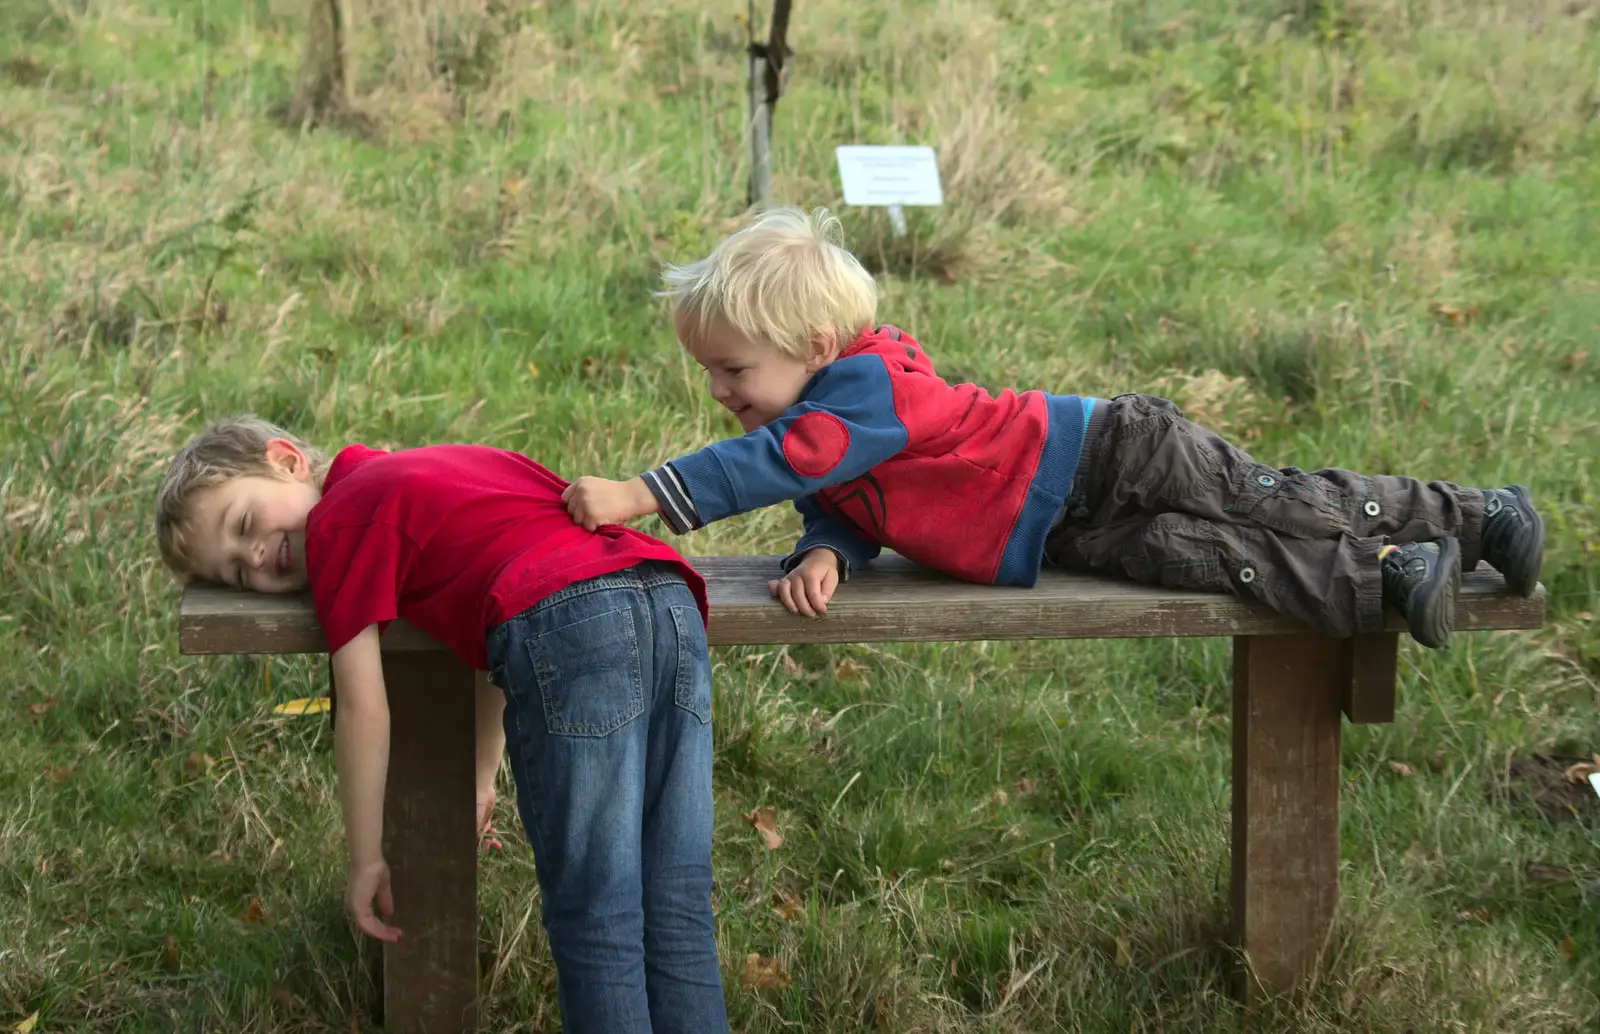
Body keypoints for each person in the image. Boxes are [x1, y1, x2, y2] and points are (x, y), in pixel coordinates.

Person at [562, 207, 1544, 649]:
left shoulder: (865, 389)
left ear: (815, 342)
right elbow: (841, 493)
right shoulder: (824, 426)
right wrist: (829, 551)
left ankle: (1475, 514)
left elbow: (795, 458)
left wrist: (645, 493)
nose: (722, 390)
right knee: (1216, 558)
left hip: (1105, 451)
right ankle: (1393, 577)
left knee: (1270, 501)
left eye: (735, 368)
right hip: (1057, 530)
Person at [155, 417, 729, 1034]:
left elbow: (364, 710)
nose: (259, 556)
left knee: (600, 917)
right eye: (239, 571)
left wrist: (367, 856)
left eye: (243, 525)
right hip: (666, 599)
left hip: (574, 628)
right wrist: (481, 777)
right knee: (676, 904)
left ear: (287, 460)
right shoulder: (430, 474)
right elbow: (495, 622)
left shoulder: (337, 527)